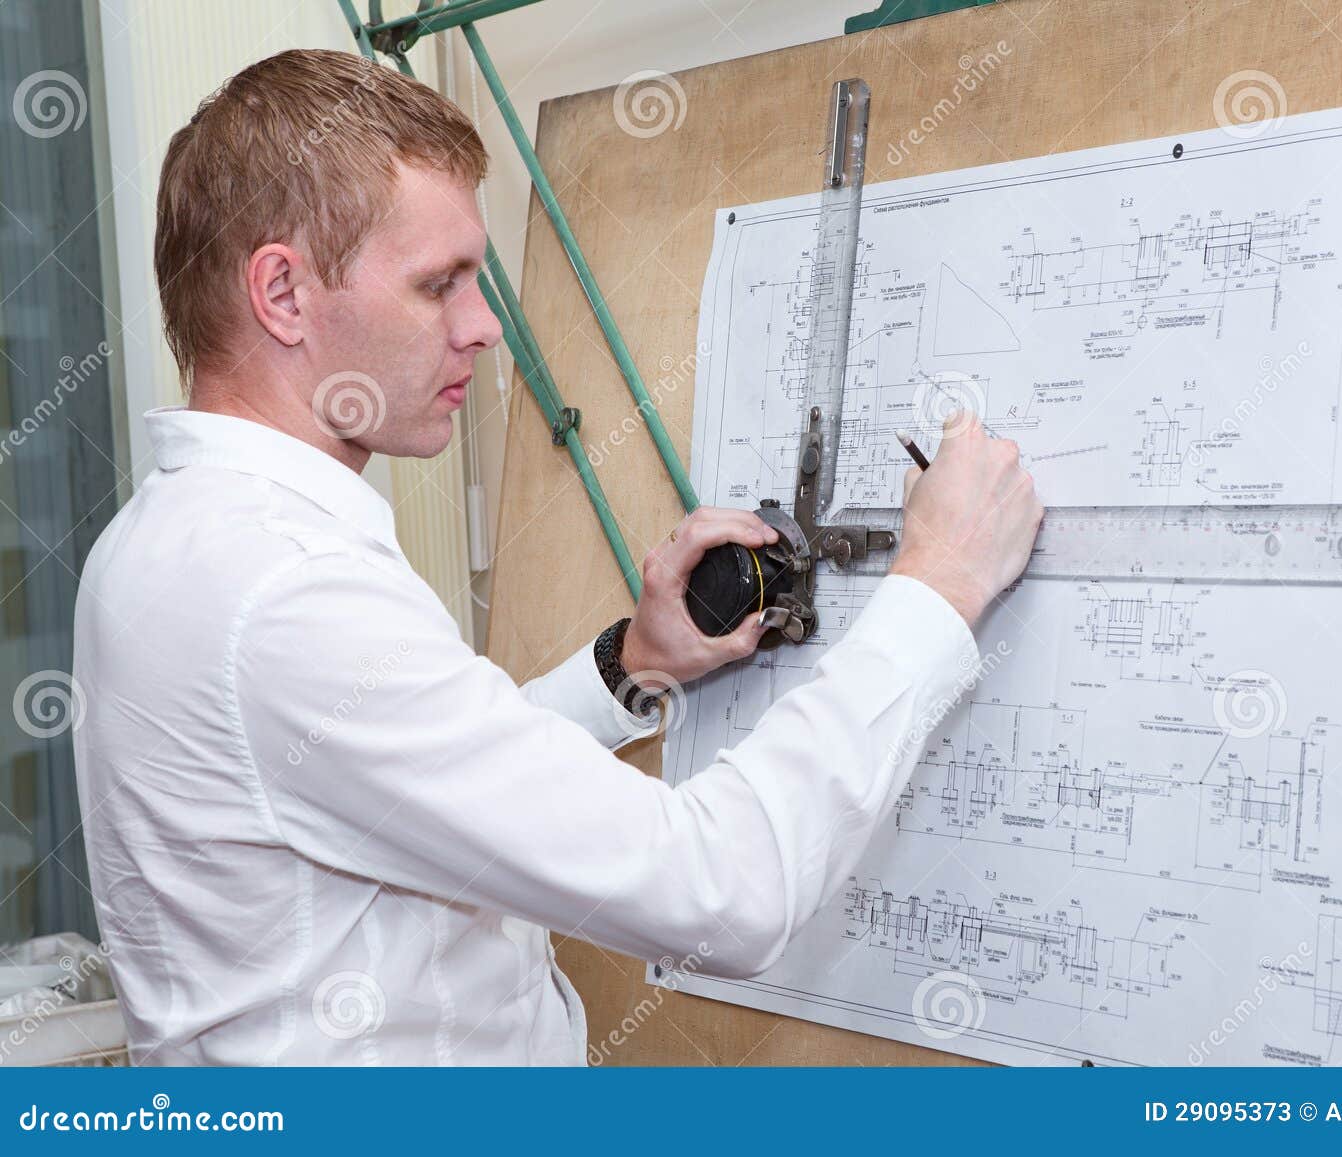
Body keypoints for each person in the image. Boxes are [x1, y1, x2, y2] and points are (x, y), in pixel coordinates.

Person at [71, 49, 1043, 1065]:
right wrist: (939, 584)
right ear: (283, 292)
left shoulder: (166, 539)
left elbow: (405, 783)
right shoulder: (281, 589)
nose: (483, 326)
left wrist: (635, 665)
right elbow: (722, 890)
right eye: (437, 284)